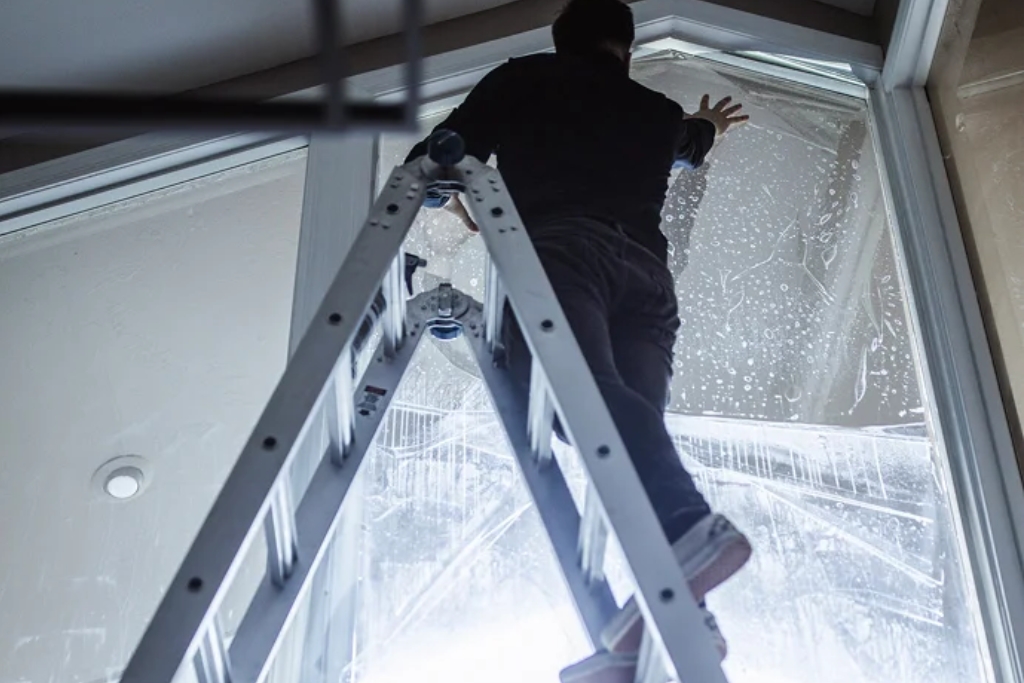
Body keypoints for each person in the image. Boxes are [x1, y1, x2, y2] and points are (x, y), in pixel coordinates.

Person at [405, 0, 752, 678]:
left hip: (568, 257)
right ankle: (678, 604)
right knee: (620, 429)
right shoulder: (653, 111)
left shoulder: (526, 80)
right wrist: (708, 123)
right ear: (625, 48)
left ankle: (689, 524)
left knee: (583, 403)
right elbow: (694, 142)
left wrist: (457, 197)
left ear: (559, 43)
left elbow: (437, 159)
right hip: (647, 282)